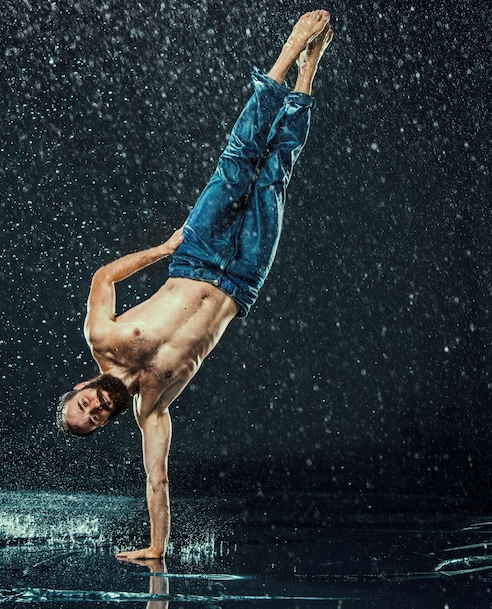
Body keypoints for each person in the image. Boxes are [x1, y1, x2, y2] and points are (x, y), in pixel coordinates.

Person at [58, 10, 334, 559]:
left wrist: (162, 250)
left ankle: (289, 51)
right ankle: (309, 71)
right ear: (104, 422)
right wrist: (157, 549)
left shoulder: (102, 338)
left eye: (82, 403)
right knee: (276, 172)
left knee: (238, 160)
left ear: (78, 389)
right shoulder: (152, 409)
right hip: (241, 280)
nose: (94, 407)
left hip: (195, 256)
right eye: (92, 419)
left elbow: (103, 276)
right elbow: (156, 485)